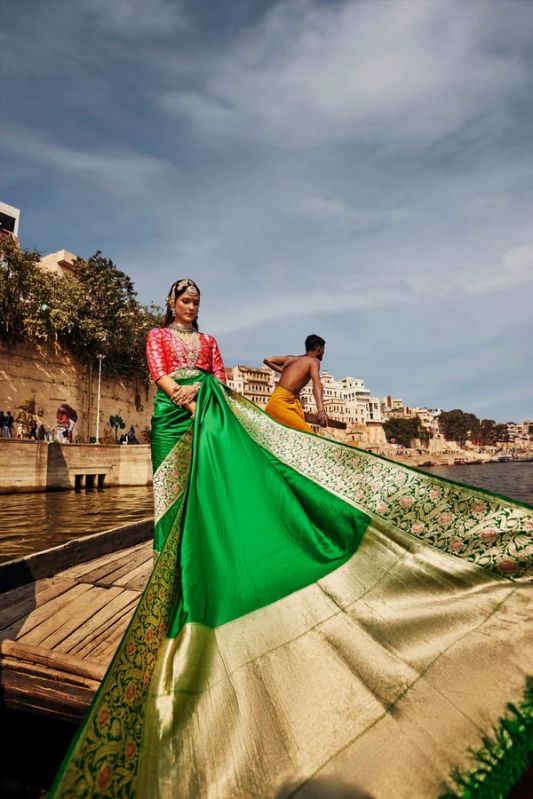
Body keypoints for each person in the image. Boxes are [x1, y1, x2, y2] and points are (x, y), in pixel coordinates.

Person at [50, 281, 533, 799]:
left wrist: (203, 396)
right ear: (172, 305)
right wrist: (182, 395)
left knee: (208, 484)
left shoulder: (210, 341)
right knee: (170, 487)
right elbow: (157, 368)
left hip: (206, 412)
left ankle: (199, 551)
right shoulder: (157, 334)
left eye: (196, 302)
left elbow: (217, 373)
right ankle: (168, 554)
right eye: (185, 301)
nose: (191, 308)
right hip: (174, 413)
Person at [264, 334, 328, 432]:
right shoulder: (313, 362)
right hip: (282, 405)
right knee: (308, 436)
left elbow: (267, 360)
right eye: (324, 349)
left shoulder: (291, 359)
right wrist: (321, 411)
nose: (324, 352)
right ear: (319, 348)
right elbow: (317, 385)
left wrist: (284, 371)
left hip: (275, 402)